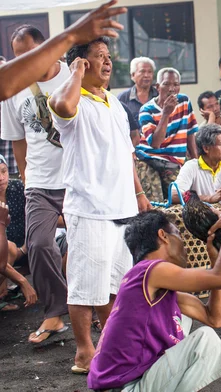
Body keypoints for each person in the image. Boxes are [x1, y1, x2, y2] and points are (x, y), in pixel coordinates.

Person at [49, 37, 152, 373]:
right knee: (85, 284)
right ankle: (84, 352)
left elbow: (127, 155)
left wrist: (138, 194)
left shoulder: (116, 104)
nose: (107, 63)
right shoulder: (72, 99)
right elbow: (62, 106)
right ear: (81, 63)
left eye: (109, 57)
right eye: (98, 57)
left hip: (121, 207)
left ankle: (111, 344)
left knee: (115, 284)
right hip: (89, 207)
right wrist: (74, 71)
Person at [87, 210, 221, 391]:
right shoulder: (150, 270)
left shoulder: (150, 284)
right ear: (163, 236)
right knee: (205, 340)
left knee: (186, 321)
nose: (185, 246)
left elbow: (215, 318)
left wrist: (215, 261)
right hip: (123, 388)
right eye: (179, 235)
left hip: (127, 384)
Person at [1, 25, 70, 344]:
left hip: (77, 178)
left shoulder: (73, 75)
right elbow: (17, 140)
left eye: (28, 54)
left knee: (88, 245)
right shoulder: (13, 86)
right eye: (17, 57)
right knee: (41, 244)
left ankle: (100, 310)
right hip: (40, 182)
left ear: (48, 48)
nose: (22, 62)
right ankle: (54, 313)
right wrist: (27, 179)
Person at [0, 0, 126, 102]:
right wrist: (71, 36)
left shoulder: (73, 73)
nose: (27, 61)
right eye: (20, 58)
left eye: (31, 54)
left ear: (43, 47)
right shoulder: (13, 86)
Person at [136, 67, 199, 202]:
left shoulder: (184, 101)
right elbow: (155, 144)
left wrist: (196, 162)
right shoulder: (146, 110)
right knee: (155, 202)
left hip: (173, 162)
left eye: (175, 85)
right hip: (148, 159)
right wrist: (165, 113)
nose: (171, 89)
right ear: (157, 87)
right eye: (166, 84)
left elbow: (190, 133)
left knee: (179, 200)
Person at [173, 124, 221, 215]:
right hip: (200, 220)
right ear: (206, 148)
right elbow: (174, 195)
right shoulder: (191, 166)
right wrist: (210, 198)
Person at [0, 155, 36, 312]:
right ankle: (3, 293)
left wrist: (26, 246)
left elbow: (35, 216)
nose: (1, 178)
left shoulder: (18, 188)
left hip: (25, 245)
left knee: (44, 247)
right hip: (8, 251)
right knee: (9, 248)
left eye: (3, 171)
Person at [117, 57, 158, 126]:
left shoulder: (159, 95)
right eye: (142, 71)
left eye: (150, 72)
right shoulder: (123, 98)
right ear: (133, 75)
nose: (146, 75)